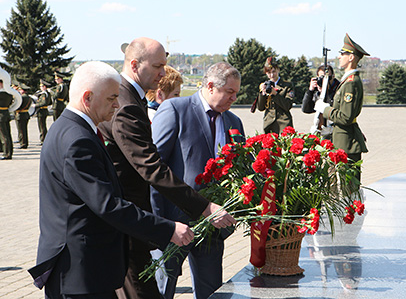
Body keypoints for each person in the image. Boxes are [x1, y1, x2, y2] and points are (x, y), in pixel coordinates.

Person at [28, 61, 197, 299]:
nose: (117, 105)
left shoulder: (70, 129)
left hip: (84, 268)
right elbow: (108, 205)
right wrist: (167, 229)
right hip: (81, 273)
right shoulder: (78, 140)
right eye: (111, 98)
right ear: (87, 98)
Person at [98, 37, 236, 299]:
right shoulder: (126, 102)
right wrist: (204, 207)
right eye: (158, 65)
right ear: (136, 65)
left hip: (143, 222)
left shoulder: (130, 97)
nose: (164, 73)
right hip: (137, 220)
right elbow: (151, 166)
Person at [151, 62, 245, 299]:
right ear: (211, 86)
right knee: (162, 290)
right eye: (230, 92)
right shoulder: (176, 108)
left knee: (211, 290)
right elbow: (154, 167)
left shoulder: (234, 122)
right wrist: (158, 222)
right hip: (175, 222)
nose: (234, 98)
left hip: (213, 225)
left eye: (236, 93)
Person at [315, 34, 369, 178]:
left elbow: (345, 117)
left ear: (351, 57)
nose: (340, 57)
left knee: (348, 192)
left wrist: (324, 109)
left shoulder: (351, 83)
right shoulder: (348, 81)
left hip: (347, 144)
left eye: (343, 54)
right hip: (342, 141)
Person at [256, 56, 294, 134]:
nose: (272, 75)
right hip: (269, 124)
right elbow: (260, 108)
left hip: (283, 123)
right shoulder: (265, 86)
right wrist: (262, 94)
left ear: (278, 70)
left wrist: (275, 94)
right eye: (269, 73)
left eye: (274, 72)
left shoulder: (287, 85)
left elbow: (287, 106)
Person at [302, 65, 340, 139]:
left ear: (333, 76)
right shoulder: (317, 92)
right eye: (321, 77)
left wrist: (326, 92)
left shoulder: (339, 89)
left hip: (335, 131)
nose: (324, 81)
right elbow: (306, 109)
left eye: (327, 77)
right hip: (321, 131)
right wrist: (310, 91)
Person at [34, 79, 53, 144]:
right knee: (42, 126)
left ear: (45, 87)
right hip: (44, 110)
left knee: (42, 126)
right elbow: (50, 102)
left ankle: (43, 139)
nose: (40, 87)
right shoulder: (47, 93)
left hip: (42, 111)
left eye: (41, 86)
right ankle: (43, 138)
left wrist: (36, 105)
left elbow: (44, 103)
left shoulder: (44, 94)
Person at [15, 83, 33, 149]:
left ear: (23, 90)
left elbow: (17, 106)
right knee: (24, 130)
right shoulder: (28, 97)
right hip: (25, 114)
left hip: (21, 115)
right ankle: (24, 142)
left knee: (21, 130)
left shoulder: (22, 97)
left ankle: (23, 144)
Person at [0, 79, 13, 159]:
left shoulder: (1, 94)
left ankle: (6, 153)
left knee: (3, 136)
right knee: (8, 134)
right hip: (6, 114)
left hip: (0, 115)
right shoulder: (9, 93)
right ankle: (9, 151)